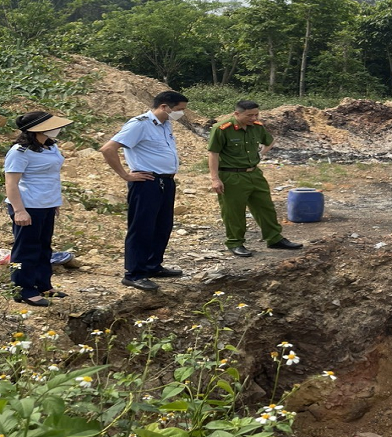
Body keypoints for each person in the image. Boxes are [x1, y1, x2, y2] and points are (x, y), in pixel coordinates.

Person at [100, 91, 188, 291]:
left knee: (162, 226)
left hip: (165, 181)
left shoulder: (165, 124)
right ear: (165, 106)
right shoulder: (139, 124)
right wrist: (125, 175)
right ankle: (134, 273)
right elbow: (108, 149)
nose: (181, 113)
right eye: (179, 109)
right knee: (142, 228)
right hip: (147, 182)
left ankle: (152, 265)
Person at [208, 100, 302, 257]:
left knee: (265, 207)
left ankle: (274, 238)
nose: (253, 118)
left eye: (256, 114)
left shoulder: (257, 127)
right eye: (249, 115)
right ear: (237, 114)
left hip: (254, 174)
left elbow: (270, 141)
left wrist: (261, 154)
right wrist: (214, 178)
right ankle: (235, 242)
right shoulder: (222, 129)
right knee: (234, 211)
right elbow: (213, 154)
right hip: (232, 175)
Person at [4, 111, 72, 306]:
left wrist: (54, 203)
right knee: (25, 249)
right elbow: (11, 183)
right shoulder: (20, 151)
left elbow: (50, 177)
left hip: (46, 204)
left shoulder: (50, 147)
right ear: (37, 129)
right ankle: (22, 289)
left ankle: (43, 285)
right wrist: (19, 210)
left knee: (44, 248)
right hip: (28, 206)